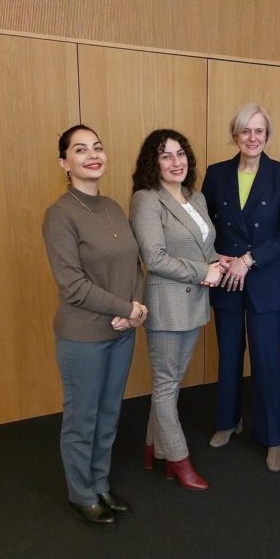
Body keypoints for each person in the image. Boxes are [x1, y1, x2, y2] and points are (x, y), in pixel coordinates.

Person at [42, 124, 147, 530]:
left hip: (122, 331)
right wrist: (128, 307)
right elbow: (72, 285)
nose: (92, 155)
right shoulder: (60, 214)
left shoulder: (114, 206)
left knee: (108, 413)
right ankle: (80, 494)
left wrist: (136, 307)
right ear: (64, 163)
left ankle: (100, 483)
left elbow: (136, 264)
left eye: (98, 147)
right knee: (82, 418)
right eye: (80, 149)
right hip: (83, 336)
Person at [201, 103, 280, 472]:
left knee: (266, 361)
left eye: (259, 131)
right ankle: (228, 421)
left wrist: (249, 259)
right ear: (235, 135)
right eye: (245, 131)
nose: (252, 137)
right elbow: (203, 226)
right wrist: (219, 257)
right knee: (228, 356)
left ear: (267, 136)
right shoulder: (216, 174)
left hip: (265, 280)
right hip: (226, 279)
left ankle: (273, 437)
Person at [129, 129, 222, 490]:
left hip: (194, 304)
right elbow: (153, 258)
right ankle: (179, 459)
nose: (176, 161)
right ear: (153, 162)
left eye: (180, 153)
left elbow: (202, 247)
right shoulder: (146, 200)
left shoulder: (194, 197)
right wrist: (205, 271)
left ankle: (153, 448)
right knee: (167, 386)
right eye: (165, 155)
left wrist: (219, 261)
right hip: (167, 306)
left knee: (169, 384)